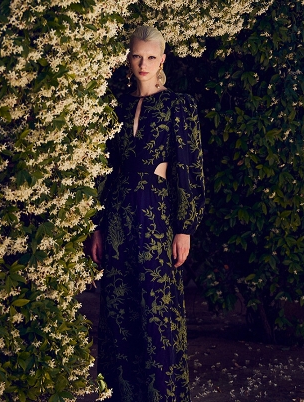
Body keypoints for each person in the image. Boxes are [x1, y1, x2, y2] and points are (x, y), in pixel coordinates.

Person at [88, 26, 205, 402]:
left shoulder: (178, 105)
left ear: (162, 61)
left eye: (151, 57)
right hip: (119, 214)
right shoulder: (116, 105)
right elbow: (106, 168)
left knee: (158, 311)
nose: (143, 64)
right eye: (137, 56)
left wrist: (184, 228)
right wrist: (98, 227)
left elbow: (189, 168)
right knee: (120, 310)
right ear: (128, 58)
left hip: (155, 216)